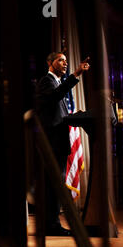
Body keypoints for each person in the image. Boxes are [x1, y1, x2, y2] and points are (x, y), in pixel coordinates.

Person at [35, 52, 90, 236]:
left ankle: (51, 224)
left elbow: (58, 110)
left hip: (58, 142)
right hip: (52, 143)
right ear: (50, 62)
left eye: (66, 61)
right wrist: (75, 75)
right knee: (53, 185)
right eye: (61, 60)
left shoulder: (56, 83)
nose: (65, 63)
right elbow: (54, 97)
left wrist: (76, 116)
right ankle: (51, 226)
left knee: (55, 185)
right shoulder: (46, 81)